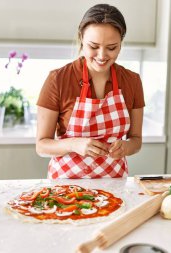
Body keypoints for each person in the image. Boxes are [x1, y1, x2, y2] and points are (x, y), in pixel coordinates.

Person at [36, 4, 145, 179]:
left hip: (114, 185)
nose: (102, 56)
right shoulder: (58, 79)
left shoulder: (132, 81)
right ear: (81, 39)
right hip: (66, 189)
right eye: (93, 46)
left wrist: (125, 147)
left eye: (112, 48)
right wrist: (73, 144)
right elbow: (41, 146)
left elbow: (136, 140)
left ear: (121, 44)